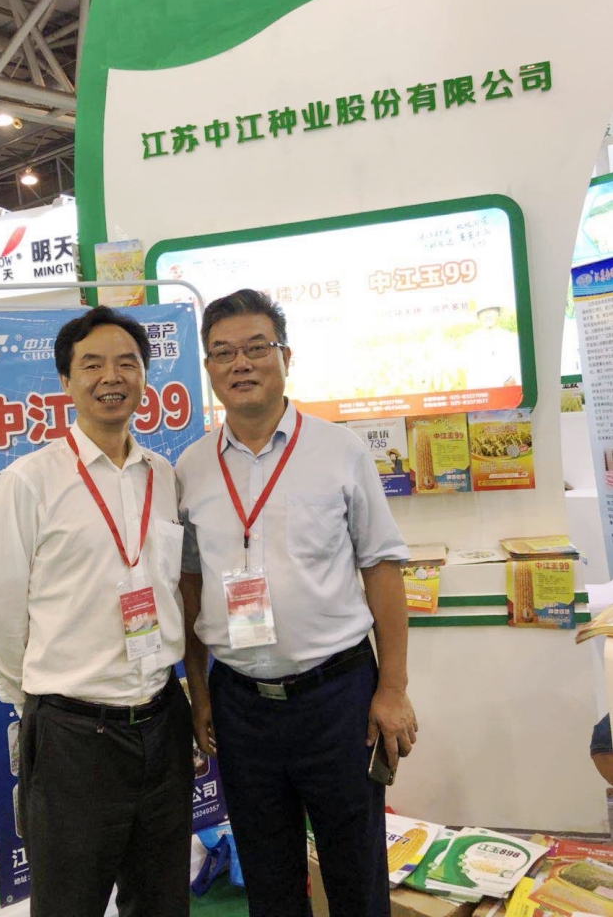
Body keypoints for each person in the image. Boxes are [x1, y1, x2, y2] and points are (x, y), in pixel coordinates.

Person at [177, 289, 418, 917]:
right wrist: (200, 693)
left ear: (285, 356)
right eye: (223, 352)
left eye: (256, 347)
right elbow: (190, 586)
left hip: (337, 698)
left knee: (356, 872)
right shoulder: (191, 467)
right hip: (239, 704)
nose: (241, 363)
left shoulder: (340, 451)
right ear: (209, 368)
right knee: (268, 875)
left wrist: (392, 689)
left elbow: (382, 568)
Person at [0, 306, 193, 917]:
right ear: (66, 381)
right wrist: (42, 705)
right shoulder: (27, 482)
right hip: (74, 736)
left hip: (162, 720)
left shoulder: (163, 475)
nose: (111, 377)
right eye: (92, 364)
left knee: (161, 900)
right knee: (69, 903)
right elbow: (2, 614)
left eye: (127, 363)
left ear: (144, 377)